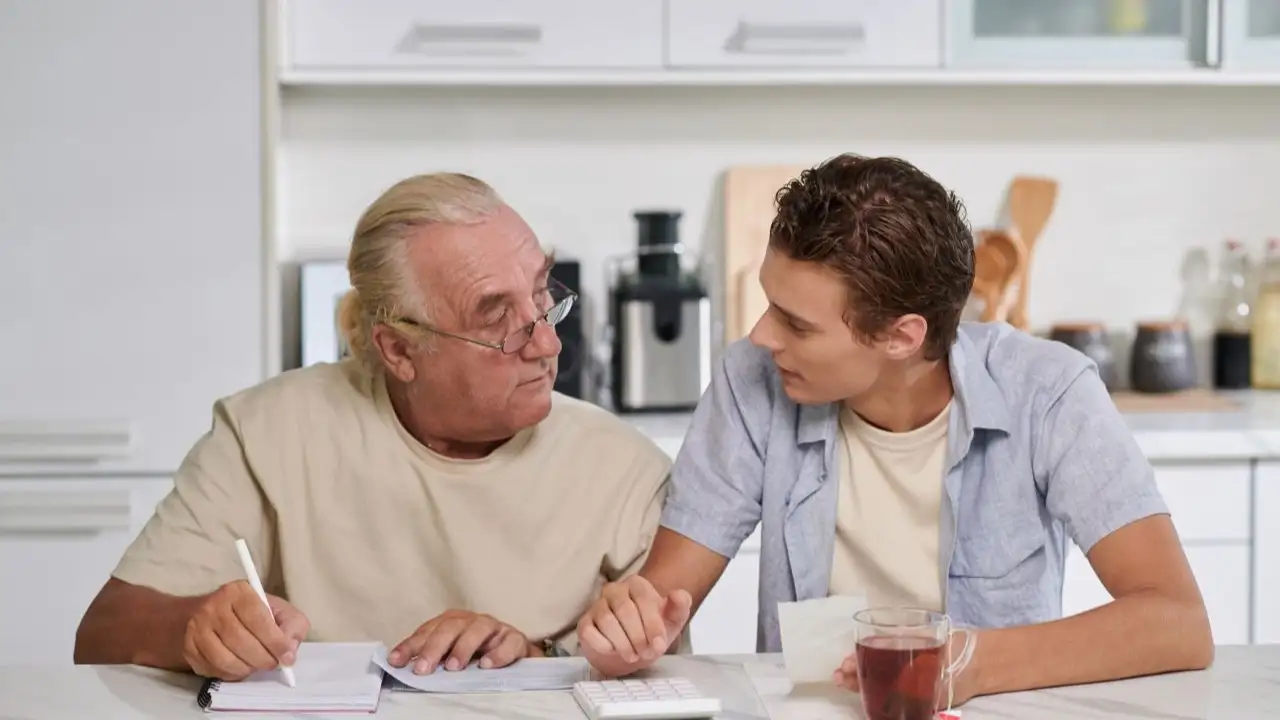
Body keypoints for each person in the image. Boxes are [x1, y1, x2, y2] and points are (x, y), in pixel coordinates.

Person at [576, 154, 1214, 706]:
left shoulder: (1048, 394)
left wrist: (965, 665)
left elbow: (1176, 622)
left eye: (796, 323)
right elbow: (657, 605)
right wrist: (626, 633)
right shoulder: (753, 381)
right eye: (769, 304)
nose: (761, 337)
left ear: (900, 336)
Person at [74, 172, 671, 681]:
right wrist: (191, 627)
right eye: (497, 319)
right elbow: (99, 634)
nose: (546, 341)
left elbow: (661, 684)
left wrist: (536, 655)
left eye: (542, 295)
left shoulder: (624, 471)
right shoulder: (264, 434)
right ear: (398, 350)